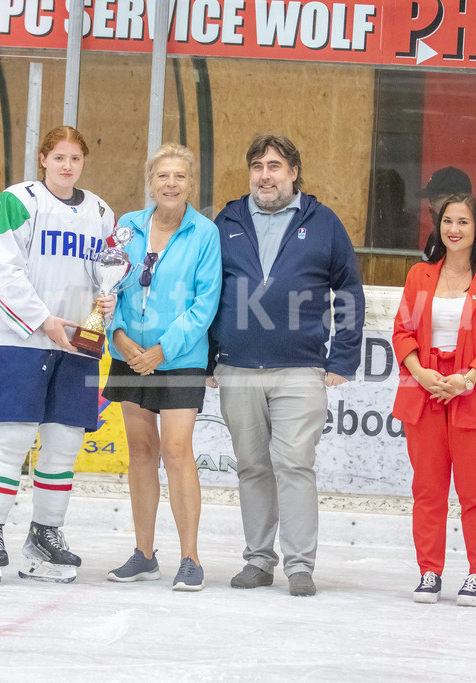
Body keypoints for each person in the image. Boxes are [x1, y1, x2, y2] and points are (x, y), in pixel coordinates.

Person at [208, 134, 365, 597]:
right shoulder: (227, 221)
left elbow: (349, 291)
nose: (265, 175)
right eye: (257, 166)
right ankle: (258, 560)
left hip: (299, 368)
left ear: (294, 173)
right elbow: (207, 292)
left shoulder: (323, 223)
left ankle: (300, 566)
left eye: (275, 166)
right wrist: (207, 358)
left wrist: (343, 357)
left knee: (294, 464)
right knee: (252, 466)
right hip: (237, 367)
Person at [0, 125, 116, 584]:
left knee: (64, 444)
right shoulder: (19, 201)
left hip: (78, 343)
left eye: (75, 158)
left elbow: (106, 273)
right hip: (21, 341)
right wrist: (42, 319)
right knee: (13, 440)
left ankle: (45, 534)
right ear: (43, 159)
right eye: (59, 157)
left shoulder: (101, 212)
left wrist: (107, 304)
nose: (67, 166)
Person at [103, 143, 222, 591]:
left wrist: (162, 350)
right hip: (128, 355)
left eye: (180, 176)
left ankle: (190, 558)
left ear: (191, 184)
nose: (171, 183)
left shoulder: (204, 233)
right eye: (163, 176)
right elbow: (107, 287)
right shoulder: (127, 227)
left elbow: (205, 304)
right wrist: (118, 336)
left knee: (175, 451)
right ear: (151, 182)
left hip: (179, 358)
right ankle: (144, 554)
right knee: (140, 451)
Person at [392, 193, 476, 606]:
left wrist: (466, 379)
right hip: (423, 392)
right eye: (447, 221)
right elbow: (402, 332)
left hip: (472, 394)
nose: (453, 229)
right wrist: (421, 374)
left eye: (463, 222)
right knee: (428, 490)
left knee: (475, 492)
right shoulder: (419, 275)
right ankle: (430, 571)